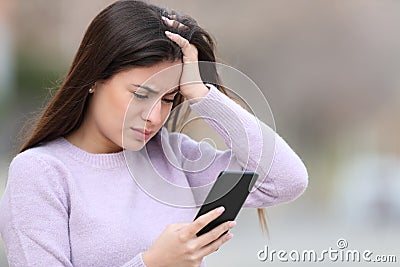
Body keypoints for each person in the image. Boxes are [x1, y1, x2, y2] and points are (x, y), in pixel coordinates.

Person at [0, 1, 308, 266]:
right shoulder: (41, 173)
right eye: (140, 94)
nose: (154, 116)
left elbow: (286, 179)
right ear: (94, 78)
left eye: (168, 98)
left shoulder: (175, 159)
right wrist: (153, 262)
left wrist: (201, 94)